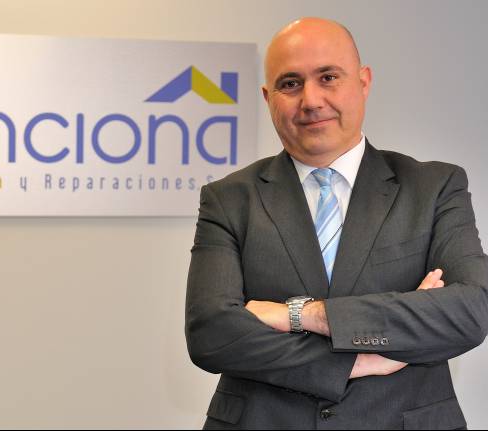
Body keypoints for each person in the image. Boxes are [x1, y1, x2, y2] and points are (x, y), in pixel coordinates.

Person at [185, 17, 488, 430]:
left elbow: (469, 311)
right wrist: (357, 361)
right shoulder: (229, 199)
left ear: (363, 82)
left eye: (328, 77)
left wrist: (303, 315)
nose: (311, 100)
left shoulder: (434, 187)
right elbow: (211, 333)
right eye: (290, 83)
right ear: (268, 97)